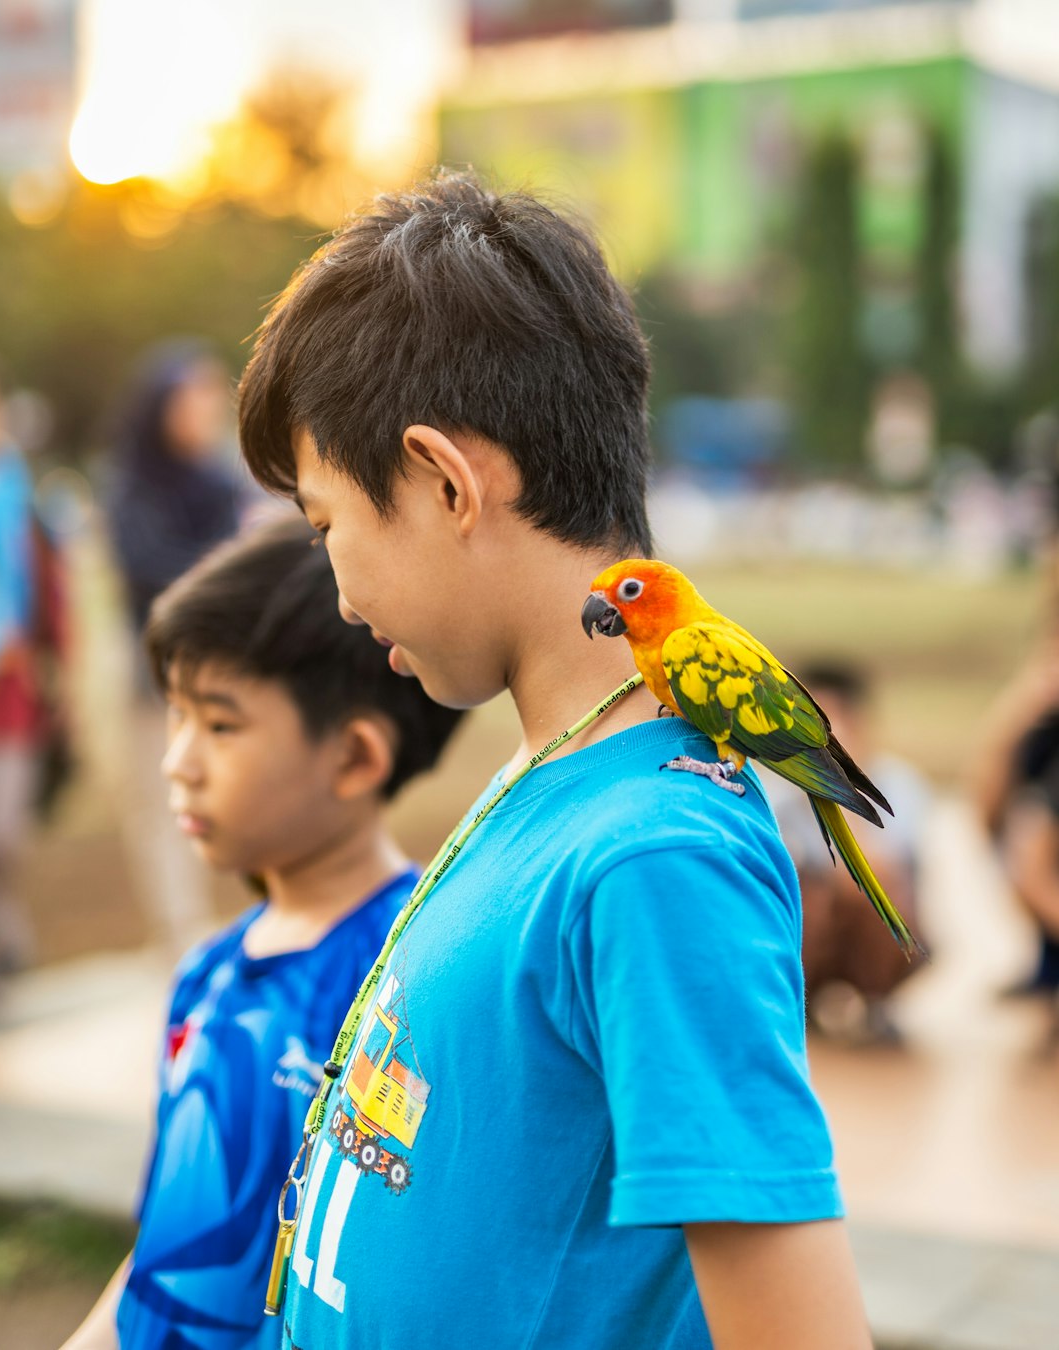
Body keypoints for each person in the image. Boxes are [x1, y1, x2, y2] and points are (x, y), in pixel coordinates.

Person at [236, 173, 871, 1348]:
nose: (336, 586)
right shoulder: (549, 771)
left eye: (329, 527)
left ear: (443, 480)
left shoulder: (658, 857)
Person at [60, 515, 463, 1349]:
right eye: (176, 717)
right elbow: (165, 1245)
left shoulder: (408, 967)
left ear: (354, 759)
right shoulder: (207, 969)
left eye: (220, 724)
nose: (179, 761)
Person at [106, 340, 243, 946]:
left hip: (229, 668)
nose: (205, 413)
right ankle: (182, 934)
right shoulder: (131, 485)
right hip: (156, 674)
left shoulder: (222, 482)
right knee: (165, 805)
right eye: (193, 400)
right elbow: (148, 569)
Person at [761, 661, 929, 1041]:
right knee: (802, 893)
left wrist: (837, 784)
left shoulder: (899, 785)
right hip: (815, 935)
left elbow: (885, 870)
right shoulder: (775, 791)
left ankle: (876, 997)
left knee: (877, 884)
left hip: (884, 935)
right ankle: (804, 998)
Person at [0, 353, 68, 1000]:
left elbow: (49, 587)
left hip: (7, 686)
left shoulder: (19, 495)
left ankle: (0, 931)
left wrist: (56, 664)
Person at [975, 638, 1059, 998]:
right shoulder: (1044, 736)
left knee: (1031, 840)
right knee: (1024, 828)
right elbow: (986, 807)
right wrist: (1027, 700)